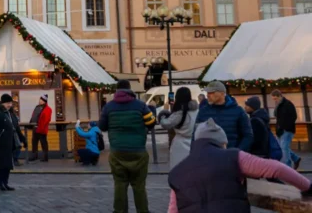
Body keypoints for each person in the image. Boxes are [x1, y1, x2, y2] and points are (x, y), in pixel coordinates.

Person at [168, 119, 312, 213]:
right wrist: (307, 187)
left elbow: (173, 209)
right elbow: (277, 168)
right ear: (221, 143)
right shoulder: (234, 157)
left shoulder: (177, 172)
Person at [99, 79, 156, 213]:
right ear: (130, 90)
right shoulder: (141, 106)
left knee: (120, 184)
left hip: (117, 152)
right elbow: (151, 123)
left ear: (116, 91)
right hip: (138, 152)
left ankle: (119, 211)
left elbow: (102, 126)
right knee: (139, 186)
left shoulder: (108, 107)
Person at [194, 81, 252, 151]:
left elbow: (248, 135)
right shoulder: (203, 112)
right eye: (207, 92)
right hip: (208, 157)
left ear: (222, 93)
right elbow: (195, 135)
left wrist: (237, 152)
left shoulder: (238, 111)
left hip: (231, 156)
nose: (208, 95)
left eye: (211, 92)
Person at [157, 86, 198, 170]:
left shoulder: (180, 113)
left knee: (179, 168)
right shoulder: (197, 111)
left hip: (180, 143)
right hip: (195, 142)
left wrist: (163, 116)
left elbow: (166, 124)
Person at [0, 94, 18, 192]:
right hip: (2, 141)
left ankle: (4, 182)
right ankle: (0, 182)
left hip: (9, 140)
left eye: (10, 103)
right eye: (8, 103)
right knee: (3, 163)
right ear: (3, 103)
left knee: (8, 163)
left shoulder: (8, 112)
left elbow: (14, 124)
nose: (9, 105)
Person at [271, 89, 301, 169]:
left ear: (280, 96)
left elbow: (293, 116)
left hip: (286, 129)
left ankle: (288, 167)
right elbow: (278, 117)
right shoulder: (279, 105)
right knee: (282, 147)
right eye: (274, 99)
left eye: (275, 99)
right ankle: (296, 158)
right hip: (280, 129)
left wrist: (285, 126)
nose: (275, 100)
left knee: (284, 147)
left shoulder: (288, 104)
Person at [28, 95, 52, 162]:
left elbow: (46, 119)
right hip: (35, 127)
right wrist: (31, 123)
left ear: (44, 101)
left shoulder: (48, 109)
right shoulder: (37, 107)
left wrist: (41, 126)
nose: (40, 101)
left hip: (42, 128)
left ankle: (45, 157)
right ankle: (34, 156)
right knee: (34, 142)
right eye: (40, 100)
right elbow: (33, 115)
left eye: (41, 100)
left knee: (43, 142)